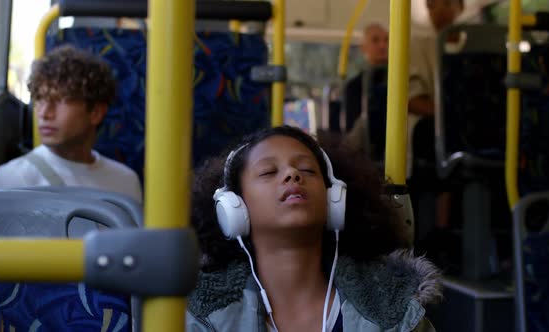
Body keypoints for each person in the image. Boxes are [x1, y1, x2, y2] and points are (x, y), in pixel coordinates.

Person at [187, 125, 441, 331]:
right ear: (232, 207)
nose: (292, 174)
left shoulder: (392, 311)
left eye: (307, 169)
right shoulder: (198, 317)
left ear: (334, 200)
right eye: (268, 172)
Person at [0, 45, 142, 203]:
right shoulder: (12, 179)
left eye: (62, 100)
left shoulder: (126, 182)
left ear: (96, 113)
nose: (44, 113)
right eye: (40, 100)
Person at [408, 0, 464, 264]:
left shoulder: (479, 44)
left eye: (444, 3)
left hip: (478, 126)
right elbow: (412, 99)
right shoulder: (420, 45)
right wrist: (451, 115)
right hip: (439, 125)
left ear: (460, 6)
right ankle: (439, 232)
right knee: (435, 134)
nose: (437, 10)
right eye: (431, 5)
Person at [344, 23, 389, 157]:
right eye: (375, 40)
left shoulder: (404, 78)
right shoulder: (354, 86)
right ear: (363, 48)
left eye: (387, 40)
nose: (383, 45)